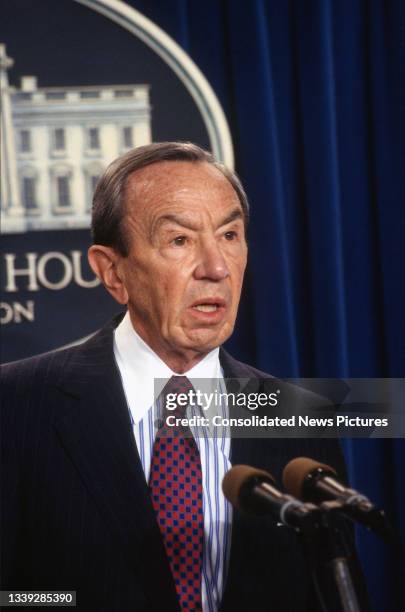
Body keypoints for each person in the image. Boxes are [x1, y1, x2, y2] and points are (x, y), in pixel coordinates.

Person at [1, 142, 363, 611]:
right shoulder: (16, 405)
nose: (216, 268)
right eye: (180, 240)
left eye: (230, 235)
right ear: (112, 272)